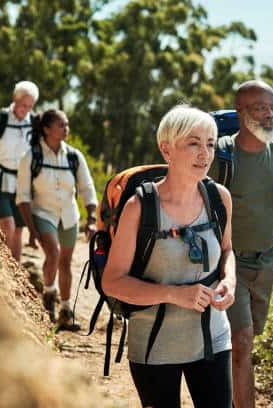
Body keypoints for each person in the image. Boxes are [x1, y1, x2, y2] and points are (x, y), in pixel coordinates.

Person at [102, 105, 236, 407]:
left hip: (213, 337)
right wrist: (174, 294)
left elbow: (227, 249)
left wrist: (229, 280)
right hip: (154, 345)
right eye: (193, 143)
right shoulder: (140, 208)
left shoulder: (219, 199)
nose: (205, 153)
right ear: (167, 149)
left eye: (210, 144)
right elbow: (112, 282)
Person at [208, 80, 273, 408]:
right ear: (240, 113)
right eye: (260, 108)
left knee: (246, 339)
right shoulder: (221, 156)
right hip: (227, 265)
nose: (269, 115)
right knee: (241, 342)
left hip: (265, 266)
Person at [16, 109, 98, 330]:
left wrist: (91, 218)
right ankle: (49, 296)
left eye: (67, 124)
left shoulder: (74, 156)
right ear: (46, 129)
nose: (66, 129)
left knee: (65, 262)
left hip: (69, 215)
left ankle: (65, 310)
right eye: (62, 125)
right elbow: (22, 197)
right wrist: (31, 230)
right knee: (53, 253)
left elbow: (87, 188)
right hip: (43, 214)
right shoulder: (32, 157)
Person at [0, 81, 39, 261]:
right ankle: (0, 265)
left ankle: (14, 272)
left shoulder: (35, 124)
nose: (25, 110)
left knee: (19, 231)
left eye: (29, 106)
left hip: (22, 185)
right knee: (8, 226)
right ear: (14, 99)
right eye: (23, 105)